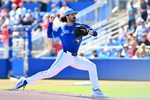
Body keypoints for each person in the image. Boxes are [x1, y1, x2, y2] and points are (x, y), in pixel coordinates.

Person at [13, 9, 106, 97]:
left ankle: (96, 90)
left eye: (74, 14)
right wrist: (50, 23)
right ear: (67, 16)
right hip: (64, 56)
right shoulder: (61, 28)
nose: (74, 16)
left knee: (92, 66)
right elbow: (49, 35)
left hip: (75, 58)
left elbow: (95, 33)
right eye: (72, 14)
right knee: (49, 73)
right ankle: (25, 81)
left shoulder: (80, 26)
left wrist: (88, 31)